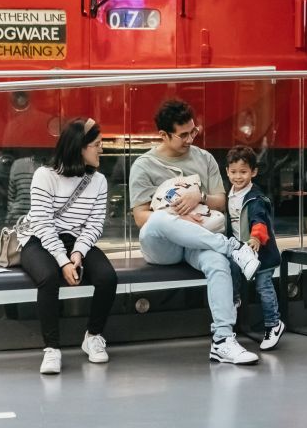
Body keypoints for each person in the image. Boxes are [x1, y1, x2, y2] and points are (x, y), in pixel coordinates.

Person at [128, 100, 262, 365]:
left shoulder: (204, 158)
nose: (191, 138)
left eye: (194, 131)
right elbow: (142, 218)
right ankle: (233, 247)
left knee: (218, 264)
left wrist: (198, 196)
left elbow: (221, 201)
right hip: (162, 245)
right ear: (164, 135)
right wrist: (175, 213)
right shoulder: (144, 166)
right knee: (159, 221)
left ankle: (223, 340)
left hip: (197, 239)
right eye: (183, 135)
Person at [19, 118, 117, 375]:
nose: (101, 150)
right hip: (38, 240)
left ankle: (93, 335)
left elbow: (95, 224)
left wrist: (78, 252)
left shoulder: (99, 181)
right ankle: (52, 349)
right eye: (97, 145)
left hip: (75, 241)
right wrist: (63, 261)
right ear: (79, 147)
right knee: (48, 278)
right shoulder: (44, 176)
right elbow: (41, 223)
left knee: (107, 277)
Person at [225, 146, 285, 350]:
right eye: (233, 172)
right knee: (231, 273)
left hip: (262, 255)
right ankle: (235, 303)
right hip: (240, 252)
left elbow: (260, 221)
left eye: (243, 172)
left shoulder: (256, 198)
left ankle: (273, 324)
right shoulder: (228, 195)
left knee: (263, 288)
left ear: (253, 172)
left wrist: (256, 238)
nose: (238, 176)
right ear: (227, 171)